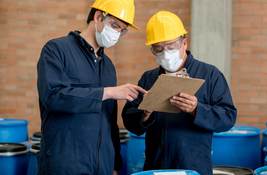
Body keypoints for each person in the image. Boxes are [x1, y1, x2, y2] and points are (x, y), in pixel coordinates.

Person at [36, 0, 146, 174]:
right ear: (98, 17)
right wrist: (108, 92)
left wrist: (115, 163)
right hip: (65, 164)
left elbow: (110, 121)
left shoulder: (108, 65)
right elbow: (54, 97)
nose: (117, 34)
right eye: (115, 26)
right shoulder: (57, 50)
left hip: (102, 166)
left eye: (123, 30)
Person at [122, 11, 237, 175]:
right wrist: (144, 113)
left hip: (194, 166)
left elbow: (228, 117)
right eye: (158, 49)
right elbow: (130, 122)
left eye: (171, 46)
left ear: (184, 43)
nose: (166, 53)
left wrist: (197, 109)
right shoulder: (148, 78)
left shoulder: (210, 75)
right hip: (156, 167)